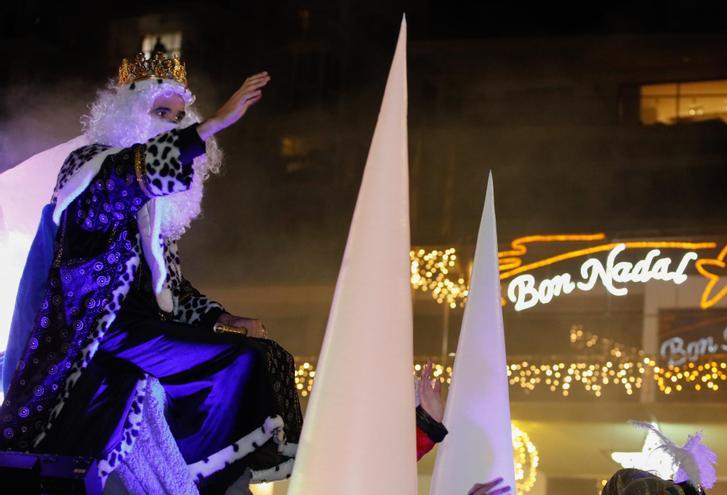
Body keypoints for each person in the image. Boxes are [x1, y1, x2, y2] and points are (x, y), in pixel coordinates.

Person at [0, 52, 446, 493]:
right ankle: (207, 464)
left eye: (180, 117)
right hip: (98, 337)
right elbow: (119, 183)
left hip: (146, 332)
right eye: (162, 113)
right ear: (128, 115)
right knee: (238, 362)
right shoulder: (91, 169)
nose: (173, 124)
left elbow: (172, 292)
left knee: (267, 354)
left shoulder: (156, 224)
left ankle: (211, 465)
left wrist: (223, 319)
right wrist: (208, 126)